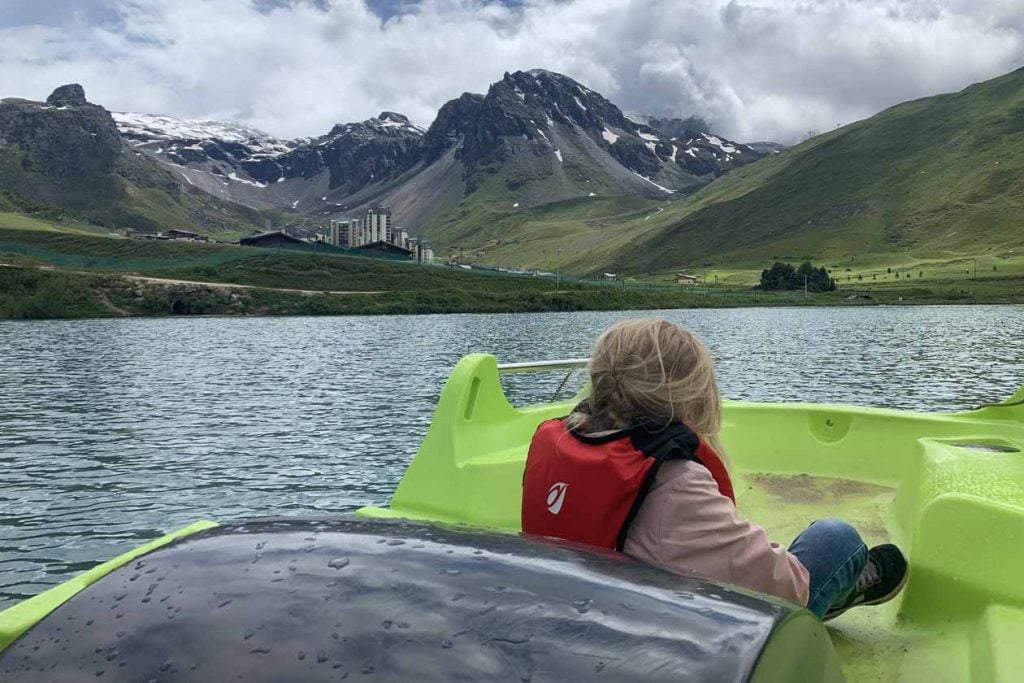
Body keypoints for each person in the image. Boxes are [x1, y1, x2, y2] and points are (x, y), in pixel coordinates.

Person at [521, 318, 907, 619]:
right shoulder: (673, 483)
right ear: (692, 395)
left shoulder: (556, 445)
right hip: (668, 631)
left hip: (587, 612)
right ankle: (846, 588)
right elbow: (788, 588)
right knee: (834, 539)